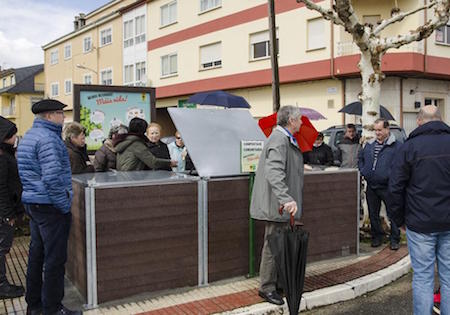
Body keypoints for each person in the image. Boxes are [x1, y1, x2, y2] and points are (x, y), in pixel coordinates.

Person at [16, 99, 81, 315]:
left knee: (36, 256)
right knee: (54, 260)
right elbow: (52, 178)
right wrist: (63, 205)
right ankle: (53, 309)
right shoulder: (49, 140)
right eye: (61, 114)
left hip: (34, 203)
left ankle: (34, 306)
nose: (63, 118)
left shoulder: (29, 136)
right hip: (50, 205)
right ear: (50, 116)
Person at [389, 105, 450, 315]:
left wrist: (398, 220)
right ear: (441, 119)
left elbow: (395, 187)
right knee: (449, 276)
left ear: (419, 121)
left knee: (423, 277)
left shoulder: (408, 147)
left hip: (419, 223)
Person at [250, 105, 304, 306]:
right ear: (291, 120)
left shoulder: (284, 139)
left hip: (280, 205)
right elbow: (274, 172)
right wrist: (286, 199)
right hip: (278, 205)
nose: (301, 123)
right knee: (273, 246)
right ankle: (267, 288)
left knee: (279, 245)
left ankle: (279, 283)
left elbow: (284, 168)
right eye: (299, 119)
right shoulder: (279, 139)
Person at [358, 118, 401, 250]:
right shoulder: (369, 145)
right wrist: (364, 171)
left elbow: (401, 165)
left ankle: (394, 239)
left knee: (392, 214)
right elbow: (360, 159)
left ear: (387, 129)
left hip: (388, 186)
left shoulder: (397, 146)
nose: (377, 133)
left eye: (380, 130)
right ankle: (377, 237)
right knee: (373, 214)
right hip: (372, 185)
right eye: (375, 130)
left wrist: (392, 178)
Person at [0, 116, 25, 299]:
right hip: (3, 214)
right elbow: (1, 188)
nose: (15, 138)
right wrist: (8, 215)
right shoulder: (1, 158)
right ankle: (2, 286)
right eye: (12, 135)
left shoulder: (6, 154)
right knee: (1, 248)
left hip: (6, 211)